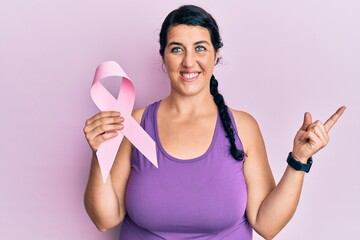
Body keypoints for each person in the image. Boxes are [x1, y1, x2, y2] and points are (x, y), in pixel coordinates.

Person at [83, 5, 345, 240]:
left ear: (215, 54)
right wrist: (99, 154)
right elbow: (105, 219)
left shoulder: (243, 127)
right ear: (163, 55)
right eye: (177, 49)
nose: (189, 62)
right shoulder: (134, 124)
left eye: (200, 48)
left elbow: (267, 225)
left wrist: (299, 160)